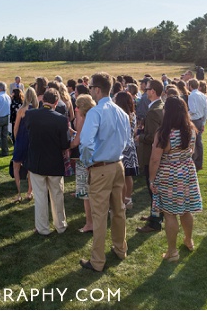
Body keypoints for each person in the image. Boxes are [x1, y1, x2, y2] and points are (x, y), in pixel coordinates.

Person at [75, 73, 132, 271]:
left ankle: (97, 261)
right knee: (119, 211)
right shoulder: (121, 112)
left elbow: (86, 142)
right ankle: (120, 249)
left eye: (90, 87)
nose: (89, 90)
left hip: (101, 167)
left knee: (99, 216)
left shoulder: (96, 112)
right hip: (118, 165)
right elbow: (127, 141)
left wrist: (88, 162)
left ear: (97, 90)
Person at [148, 97, 203, 262]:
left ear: (168, 112)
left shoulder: (164, 133)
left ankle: (172, 252)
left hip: (169, 173)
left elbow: (155, 159)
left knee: (170, 213)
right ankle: (188, 240)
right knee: (186, 209)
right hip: (187, 171)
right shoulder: (191, 128)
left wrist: (151, 180)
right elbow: (192, 151)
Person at [24, 89, 70, 235]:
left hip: (37, 162)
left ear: (43, 100)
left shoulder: (31, 115)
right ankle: (60, 226)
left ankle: (42, 228)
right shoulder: (61, 119)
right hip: (54, 163)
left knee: (40, 197)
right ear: (56, 102)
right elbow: (65, 144)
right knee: (57, 196)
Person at [136, 80, 166, 233]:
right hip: (153, 153)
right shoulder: (158, 106)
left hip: (150, 153)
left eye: (147, 89)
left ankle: (155, 222)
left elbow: (153, 136)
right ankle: (156, 215)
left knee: (152, 188)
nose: (145, 91)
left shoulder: (154, 110)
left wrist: (140, 137)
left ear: (152, 91)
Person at [69, 94, 96, 233]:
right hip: (97, 157)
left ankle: (89, 223)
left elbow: (78, 140)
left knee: (86, 194)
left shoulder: (83, 118)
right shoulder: (96, 115)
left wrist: (68, 145)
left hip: (85, 159)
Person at [11, 87, 37, 203]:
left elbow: (16, 127)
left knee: (16, 166)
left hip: (21, 139)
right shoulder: (36, 109)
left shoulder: (22, 109)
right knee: (30, 168)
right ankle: (29, 192)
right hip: (31, 141)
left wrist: (16, 139)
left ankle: (19, 192)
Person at [113, 92, 139, 209]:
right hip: (130, 146)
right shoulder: (132, 115)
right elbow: (134, 131)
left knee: (122, 176)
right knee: (128, 175)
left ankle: (122, 199)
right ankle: (128, 198)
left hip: (122, 147)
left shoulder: (120, 115)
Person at [187, 79, 207, 170]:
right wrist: (203, 122)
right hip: (200, 120)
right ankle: (199, 163)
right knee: (199, 142)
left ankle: (193, 162)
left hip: (194, 120)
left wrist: (185, 113)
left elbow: (193, 110)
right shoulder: (203, 95)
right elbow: (206, 111)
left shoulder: (192, 95)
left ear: (190, 86)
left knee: (192, 142)